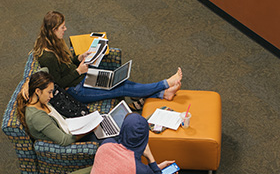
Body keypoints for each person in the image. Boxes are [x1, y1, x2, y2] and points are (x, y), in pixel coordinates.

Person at [29, 11, 182, 107]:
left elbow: (64, 64)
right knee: (120, 88)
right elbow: (57, 84)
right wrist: (78, 71)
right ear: (53, 30)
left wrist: (78, 58)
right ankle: (165, 84)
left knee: (121, 81)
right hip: (76, 91)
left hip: (82, 78)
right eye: (62, 27)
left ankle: (163, 94)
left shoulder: (54, 41)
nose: (65, 29)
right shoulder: (47, 56)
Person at [16, 70, 97, 146]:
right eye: (49, 92)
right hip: (72, 140)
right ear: (37, 91)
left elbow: (45, 69)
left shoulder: (39, 100)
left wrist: (27, 83)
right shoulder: (37, 116)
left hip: (72, 127)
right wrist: (90, 129)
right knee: (107, 141)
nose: (51, 96)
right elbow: (64, 140)